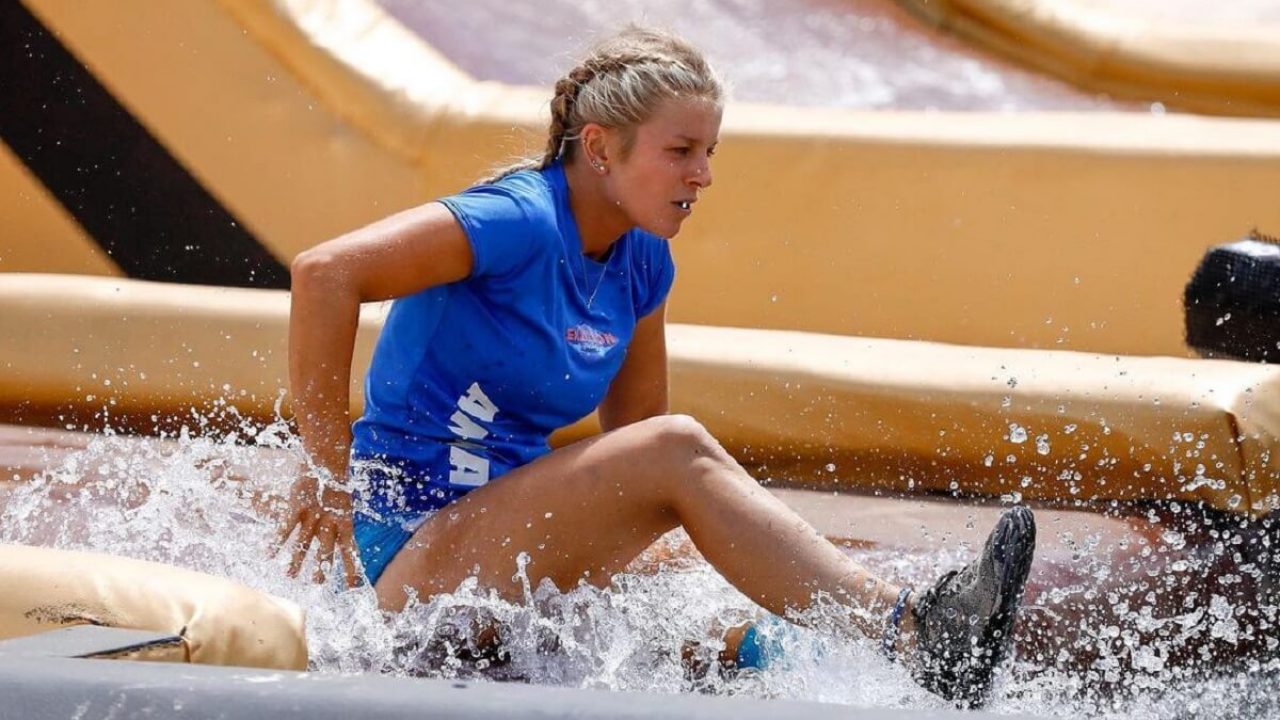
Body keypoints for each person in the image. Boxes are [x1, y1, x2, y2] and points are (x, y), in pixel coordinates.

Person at [279, 26, 1035, 708]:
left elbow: (634, 443)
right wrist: (323, 473)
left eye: (710, 153)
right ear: (600, 148)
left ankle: (908, 684)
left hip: (501, 561)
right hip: (400, 559)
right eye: (681, 152)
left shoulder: (643, 261)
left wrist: (692, 576)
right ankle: (912, 629)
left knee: (734, 626)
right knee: (679, 449)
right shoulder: (516, 218)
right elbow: (324, 273)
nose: (703, 175)